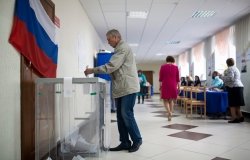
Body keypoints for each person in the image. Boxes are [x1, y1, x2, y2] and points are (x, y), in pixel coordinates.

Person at [84, 29, 142, 152]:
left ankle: (137, 140)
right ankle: (125, 142)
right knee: (120, 116)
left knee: (126, 114)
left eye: (109, 39)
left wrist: (91, 70)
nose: (108, 42)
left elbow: (111, 66)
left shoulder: (123, 48)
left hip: (128, 87)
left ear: (116, 37)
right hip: (121, 87)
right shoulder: (118, 50)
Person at [221, 58, 245, 123]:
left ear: (227, 63)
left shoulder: (229, 69)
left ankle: (234, 118)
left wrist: (222, 77)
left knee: (232, 103)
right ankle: (240, 116)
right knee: (237, 103)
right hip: (239, 86)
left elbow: (230, 78)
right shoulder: (236, 68)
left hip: (233, 87)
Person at [159, 56, 180, 121]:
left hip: (165, 84)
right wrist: (178, 87)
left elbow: (161, 78)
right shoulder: (176, 67)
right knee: (171, 100)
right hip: (173, 85)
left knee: (165, 100)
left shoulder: (163, 67)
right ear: (173, 60)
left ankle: (169, 112)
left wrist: (160, 86)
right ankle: (170, 113)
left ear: (166, 60)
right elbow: (178, 78)